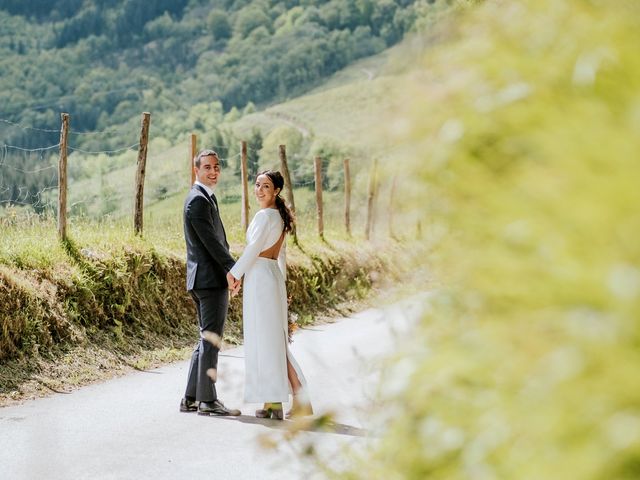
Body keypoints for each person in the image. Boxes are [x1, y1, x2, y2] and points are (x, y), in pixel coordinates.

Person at [228, 170, 313, 420]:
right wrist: (282, 286)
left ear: (276, 190)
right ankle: (275, 401)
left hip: (260, 278)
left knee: (265, 341)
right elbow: (281, 256)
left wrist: (234, 275)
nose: (259, 190)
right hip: (273, 277)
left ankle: (291, 398)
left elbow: (253, 249)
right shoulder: (280, 217)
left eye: (265, 186)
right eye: (257, 185)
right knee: (272, 342)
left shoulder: (264, 216)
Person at [179, 149, 241, 416]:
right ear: (197, 170)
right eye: (207, 167)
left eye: (216, 167)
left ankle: (191, 398)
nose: (213, 171)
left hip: (203, 279)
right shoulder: (198, 201)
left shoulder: (205, 198)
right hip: (209, 280)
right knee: (211, 339)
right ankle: (208, 400)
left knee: (205, 338)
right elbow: (212, 244)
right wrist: (233, 269)